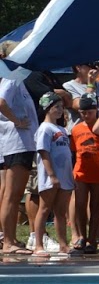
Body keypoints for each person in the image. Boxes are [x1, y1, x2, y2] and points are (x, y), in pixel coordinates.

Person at [0, 44, 39, 255]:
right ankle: (8, 242)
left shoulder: (17, 80)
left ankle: (11, 238)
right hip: (17, 144)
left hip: (20, 144)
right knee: (12, 196)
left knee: (12, 195)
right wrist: (17, 121)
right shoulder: (12, 79)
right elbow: (1, 102)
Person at [30, 94, 71, 255]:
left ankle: (63, 244)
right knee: (44, 208)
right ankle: (38, 245)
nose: (61, 110)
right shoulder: (45, 128)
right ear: (48, 108)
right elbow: (44, 152)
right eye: (57, 107)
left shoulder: (61, 129)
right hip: (51, 176)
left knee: (61, 211)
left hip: (65, 175)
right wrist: (51, 174)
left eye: (62, 107)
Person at [69, 98, 99, 254]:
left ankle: (93, 239)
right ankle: (82, 236)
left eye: (89, 112)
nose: (86, 116)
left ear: (96, 111)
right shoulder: (76, 129)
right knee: (80, 204)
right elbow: (73, 151)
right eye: (83, 113)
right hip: (81, 171)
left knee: (96, 206)